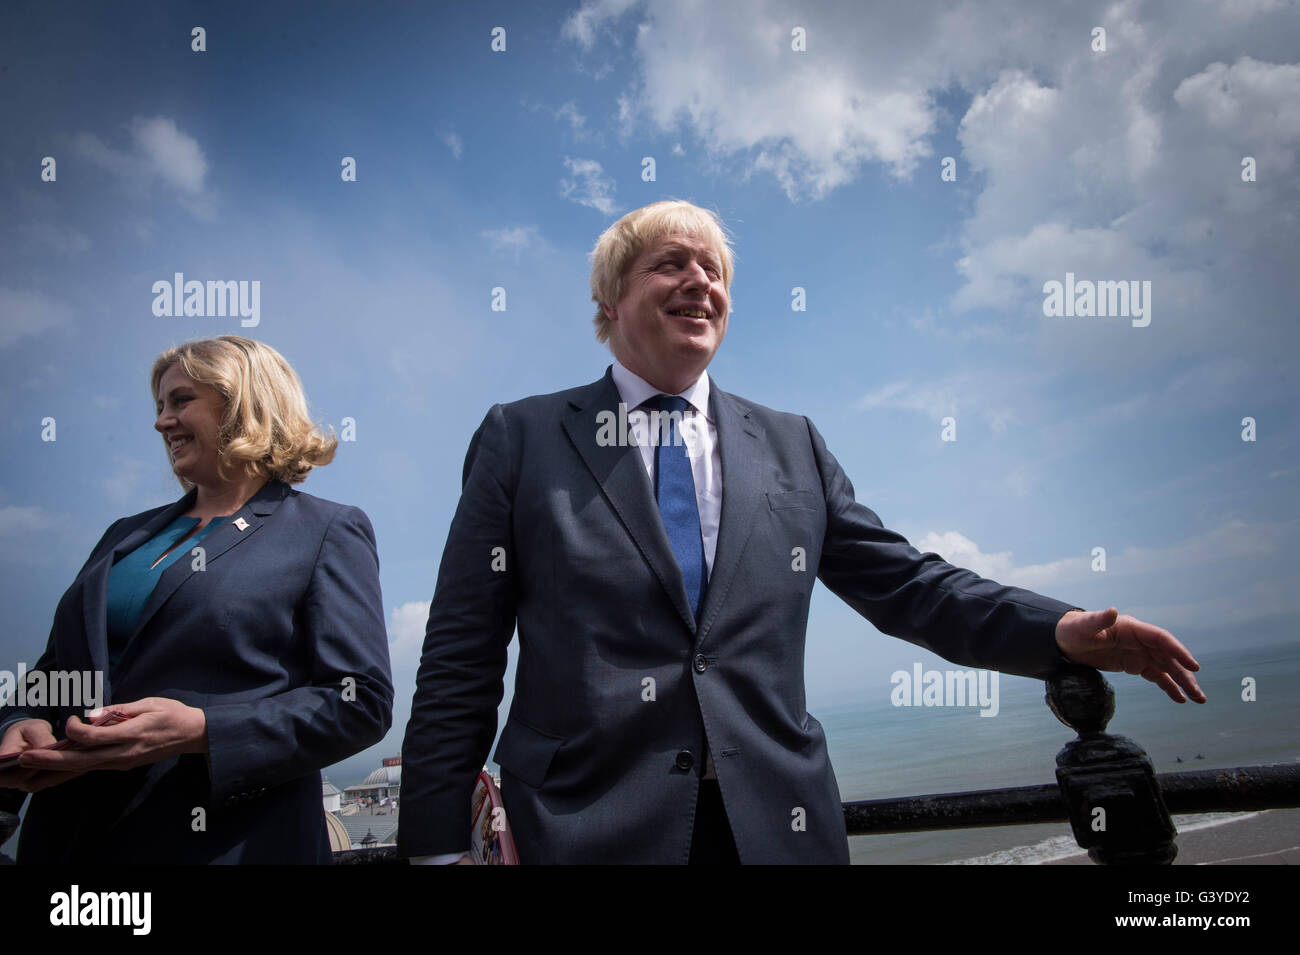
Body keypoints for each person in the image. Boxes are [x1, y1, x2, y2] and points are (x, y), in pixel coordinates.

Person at [398, 200, 1204, 865]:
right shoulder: (523, 437)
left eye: (714, 270)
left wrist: (1058, 629)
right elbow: (462, 655)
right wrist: (435, 850)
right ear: (611, 300)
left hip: (777, 829)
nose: (700, 282)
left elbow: (909, 585)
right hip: (584, 832)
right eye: (672, 264)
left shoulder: (792, 443)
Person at [0, 335, 393, 863]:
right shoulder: (122, 534)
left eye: (181, 400)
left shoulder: (327, 529)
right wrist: (19, 721)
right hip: (71, 842)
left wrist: (200, 731)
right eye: (160, 406)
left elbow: (359, 701)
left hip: (226, 844)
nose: (162, 422)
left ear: (243, 404)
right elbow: (58, 666)